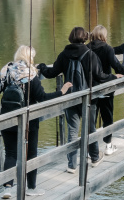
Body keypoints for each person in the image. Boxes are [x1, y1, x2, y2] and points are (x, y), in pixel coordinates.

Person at [0, 45, 72, 199]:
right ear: (29, 58)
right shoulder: (30, 74)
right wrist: (61, 92)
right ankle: (31, 188)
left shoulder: (7, 70)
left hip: (7, 118)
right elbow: (42, 98)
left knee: (11, 153)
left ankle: (7, 188)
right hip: (28, 120)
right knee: (31, 153)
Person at [38, 27, 117, 174]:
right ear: (85, 38)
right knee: (90, 128)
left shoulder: (64, 54)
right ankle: (94, 157)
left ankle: (72, 165)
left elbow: (51, 73)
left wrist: (42, 66)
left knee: (72, 131)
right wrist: (114, 76)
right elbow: (100, 76)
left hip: (70, 97)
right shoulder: (90, 54)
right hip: (87, 97)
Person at [88, 25, 124, 156]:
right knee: (107, 115)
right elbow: (117, 67)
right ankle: (108, 145)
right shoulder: (107, 49)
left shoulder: (87, 48)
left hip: (90, 88)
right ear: (104, 36)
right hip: (106, 86)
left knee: (91, 119)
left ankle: (90, 148)